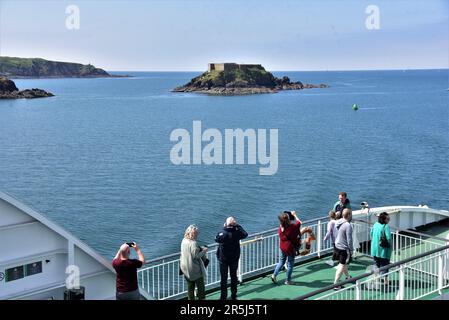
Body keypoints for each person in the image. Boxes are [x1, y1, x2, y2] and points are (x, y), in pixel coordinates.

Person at [215, 217, 248, 300]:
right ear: (234, 224)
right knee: (234, 277)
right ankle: (234, 295)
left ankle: (223, 297)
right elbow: (245, 234)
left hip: (223, 259)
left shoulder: (223, 233)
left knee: (223, 279)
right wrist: (238, 226)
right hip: (234, 258)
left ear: (226, 224)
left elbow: (216, 239)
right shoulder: (237, 232)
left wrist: (224, 227)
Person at [271, 211, 301, 285]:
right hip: (290, 248)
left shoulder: (280, 228)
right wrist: (294, 215)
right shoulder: (292, 227)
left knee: (281, 261)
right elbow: (299, 222)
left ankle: (274, 275)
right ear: (288, 219)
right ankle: (288, 280)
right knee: (290, 264)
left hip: (282, 247)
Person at [180, 224, 208, 300]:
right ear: (194, 234)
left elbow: (189, 252)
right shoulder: (193, 243)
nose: (197, 235)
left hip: (185, 268)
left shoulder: (183, 240)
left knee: (190, 287)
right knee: (201, 287)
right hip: (194, 269)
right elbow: (196, 256)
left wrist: (198, 249)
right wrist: (204, 251)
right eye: (196, 233)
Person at [333, 208, 353, 290]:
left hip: (337, 246)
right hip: (344, 248)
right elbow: (349, 239)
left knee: (343, 263)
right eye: (351, 214)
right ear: (348, 215)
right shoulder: (348, 225)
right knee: (341, 265)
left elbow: (335, 233)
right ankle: (336, 283)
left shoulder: (338, 222)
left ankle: (348, 276)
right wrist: (351, 249)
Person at [370, 212, 392, 283]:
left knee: (376, 263)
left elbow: (371, 234)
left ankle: (376, 277)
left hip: (374, 248)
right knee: (385, 264)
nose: (389, 220)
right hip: (383, 250)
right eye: (388, 219)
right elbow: (388, 238)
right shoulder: (386, 226)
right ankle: (385, 280)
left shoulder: (375, 224)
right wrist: (390, 245)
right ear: (384, 219)